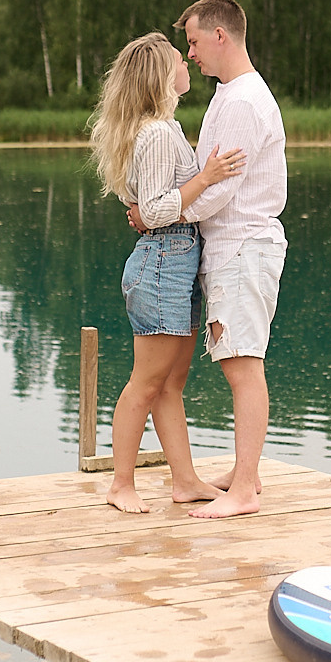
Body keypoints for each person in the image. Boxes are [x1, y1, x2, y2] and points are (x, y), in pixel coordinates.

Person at [127, 0, 286, 519]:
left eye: (193, 41)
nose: (190, 53)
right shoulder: (229, 96)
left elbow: (219, 190)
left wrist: (161, 214)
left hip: (242, 247)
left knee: (243, 367)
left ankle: (242, 493)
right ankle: (248, 476)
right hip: (230, 248)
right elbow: (207, 178)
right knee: (238, 363)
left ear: (221, 36)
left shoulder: (240, 102)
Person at [88, 32, 245, 514]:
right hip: (161, 264)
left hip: (176, 261)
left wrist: (149, 203)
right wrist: (207, 178)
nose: (187, 60)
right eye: (180, 57)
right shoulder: (157, 133)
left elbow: (144, 201)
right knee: (145, 383)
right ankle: (120, 484)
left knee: (170, 384)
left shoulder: (164, 128)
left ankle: (185, 480)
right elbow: (155, 210)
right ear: (162, 74)